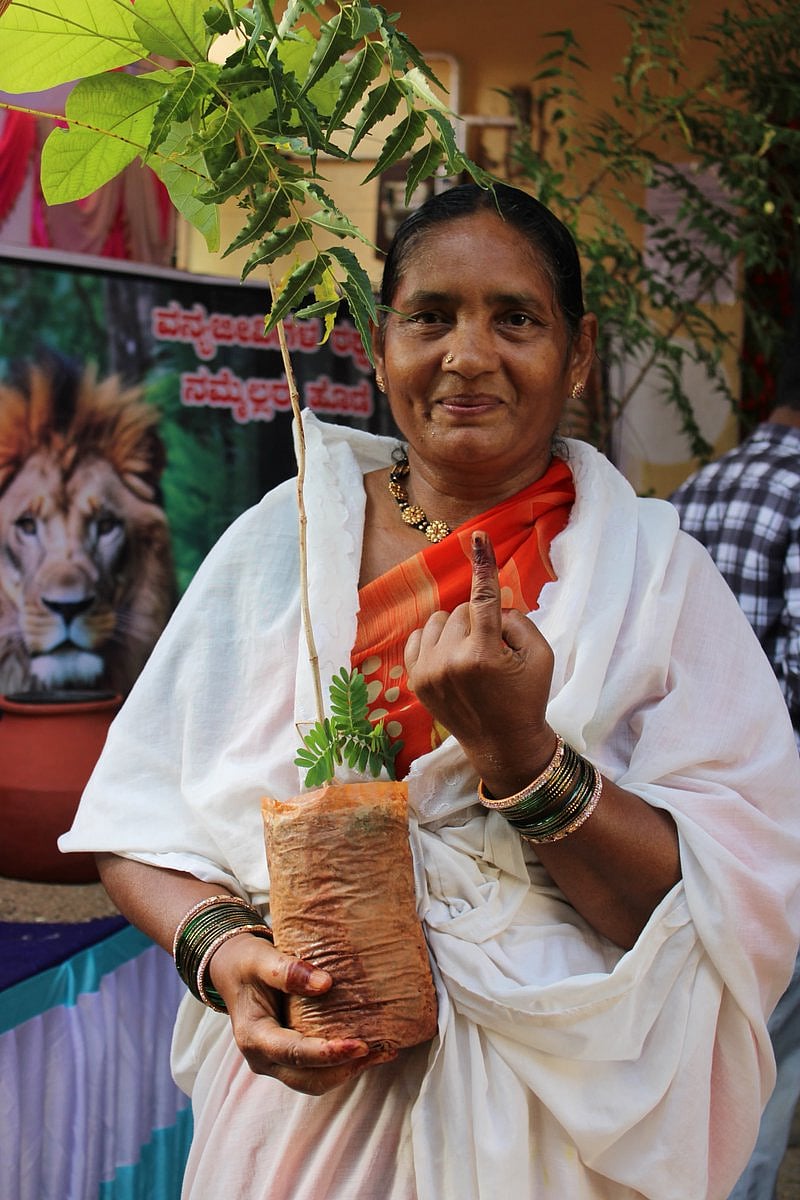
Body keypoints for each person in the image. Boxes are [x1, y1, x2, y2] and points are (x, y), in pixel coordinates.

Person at [59, 183, 800, 1200]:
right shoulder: (288, 543)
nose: (466, 355)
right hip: (305, 1119)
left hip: (561, 1127)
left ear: (577, 351)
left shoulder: (656, 579)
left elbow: (716, 909)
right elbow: (136, 827)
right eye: (431, 316)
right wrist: (229, 957)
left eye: (514, 318)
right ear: (377, 343)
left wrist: (521, 758)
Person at [670, 353, 800, 1200]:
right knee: (765, 1071)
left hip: (677, 838)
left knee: (700, 1066)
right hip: (779, 840)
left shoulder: (694, 490)